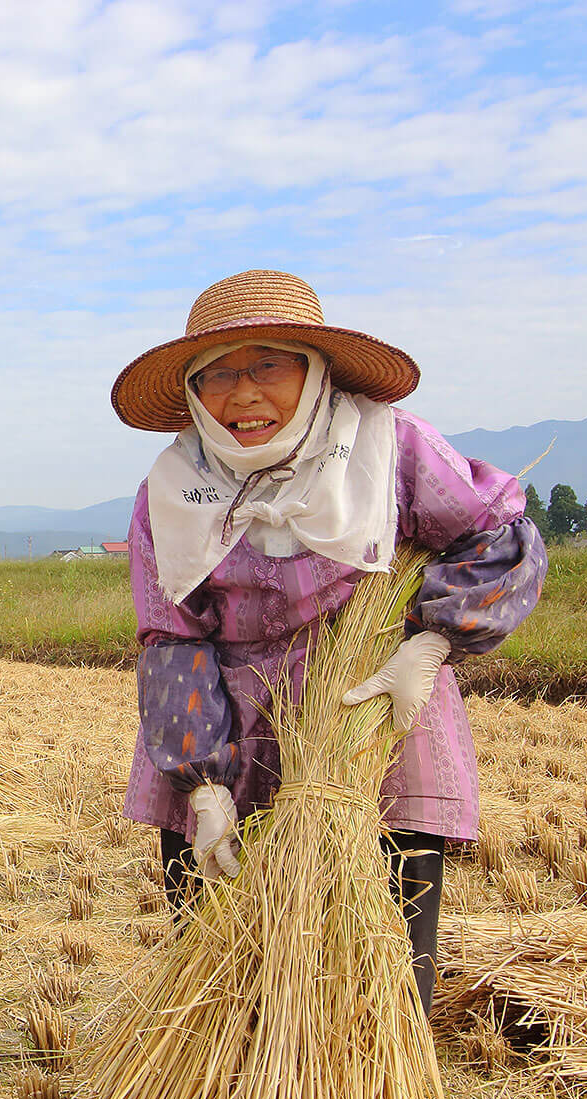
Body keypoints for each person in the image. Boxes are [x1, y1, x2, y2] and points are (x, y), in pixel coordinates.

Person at [112, 270, 546, 1013]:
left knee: (379, 977)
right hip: (227, 737)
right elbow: (172, 639)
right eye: (216, 373)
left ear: (316, 372)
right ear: (191, 391)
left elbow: (500, 535)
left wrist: (431, 644)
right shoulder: (173, 492)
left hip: (371, 727)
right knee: (223, 982)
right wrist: (204, 783)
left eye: (268, 364)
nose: (242, 393)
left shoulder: (388, 448)